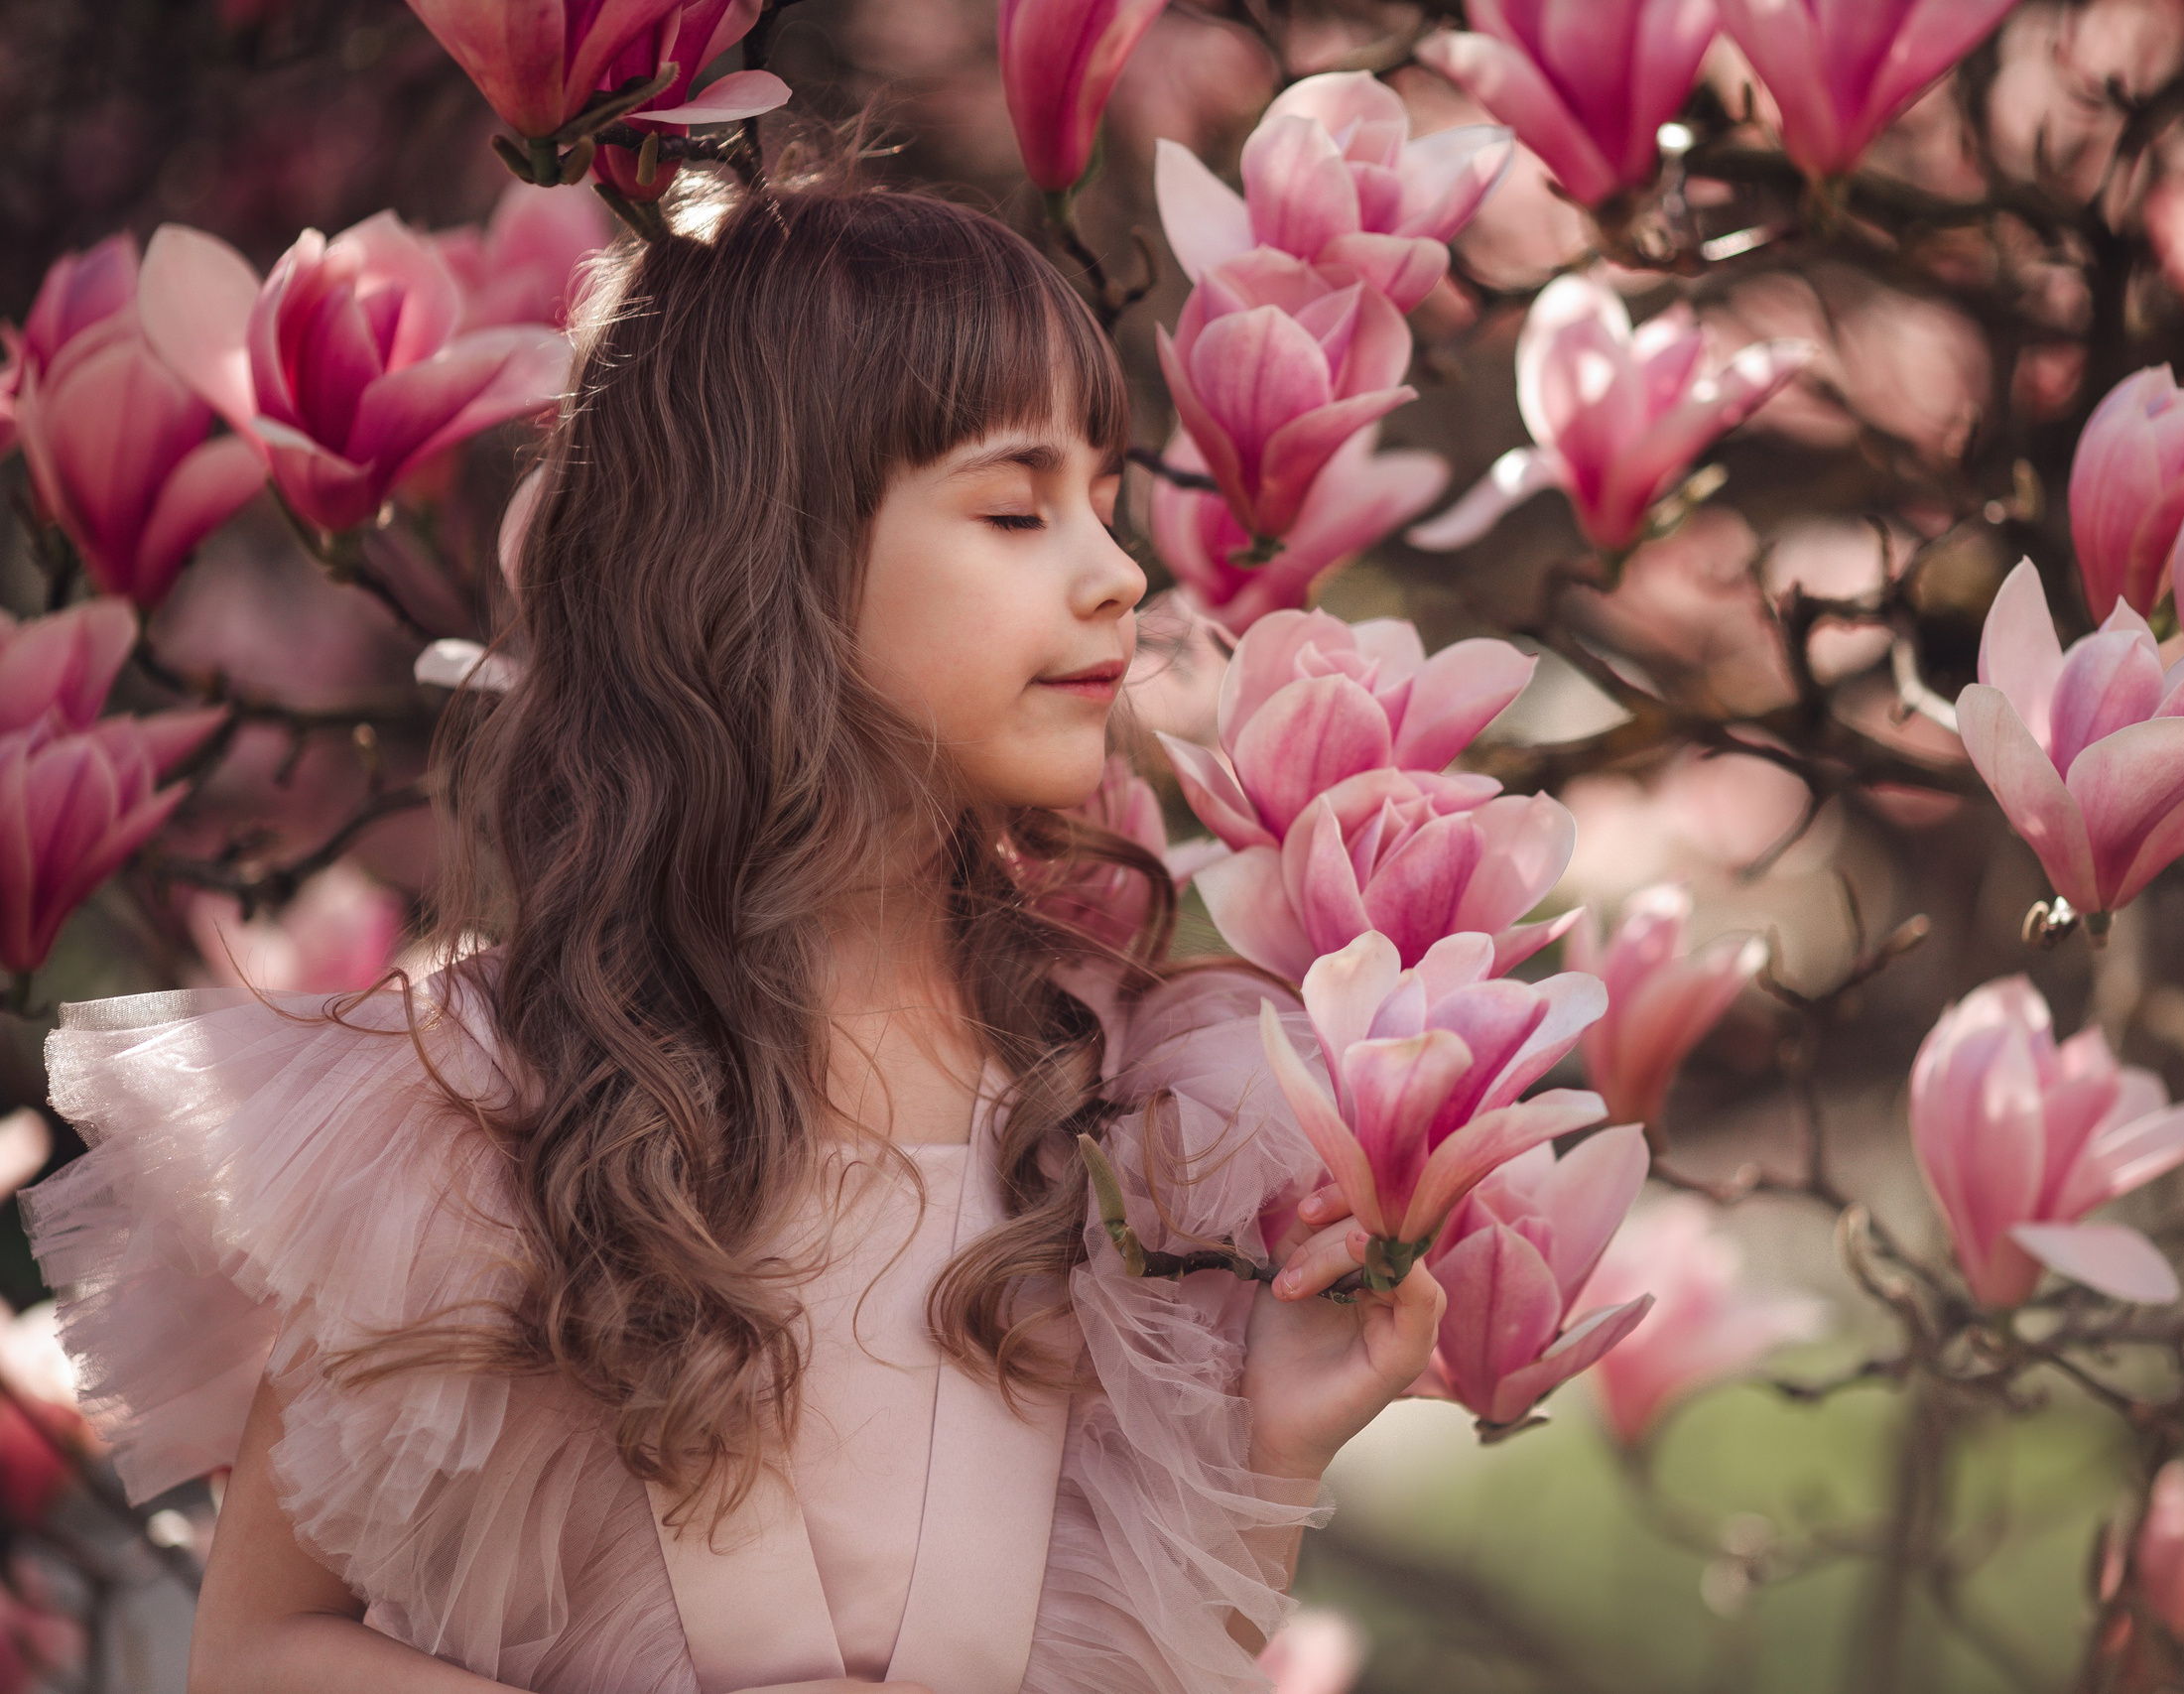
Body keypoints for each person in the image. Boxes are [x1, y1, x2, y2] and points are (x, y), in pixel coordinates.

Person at [21, 167, 1443, 1694]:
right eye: (1018, 507)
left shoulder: (1130, 1107)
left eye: (1103, 501)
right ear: (772, 555)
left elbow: (1143, 1662)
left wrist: (1275, 1447)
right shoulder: (468, 1115)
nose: (1117, 575)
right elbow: (260, 1658)